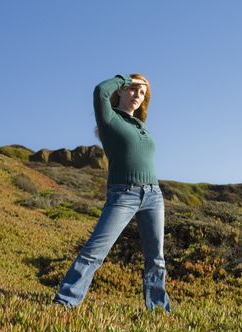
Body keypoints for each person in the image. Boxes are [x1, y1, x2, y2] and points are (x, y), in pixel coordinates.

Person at [53, 74, 171, 312]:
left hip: (153, 195)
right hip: (123, 195)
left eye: (142, 93)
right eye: (133, 90)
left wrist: (138, 85)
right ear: (122, 90)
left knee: (156, 258)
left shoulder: (140, 126)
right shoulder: (109, 119)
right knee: (94, 252)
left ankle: (158, 309)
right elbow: (99, 91)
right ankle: (65, 302)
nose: (138, 96)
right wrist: (127, 78)